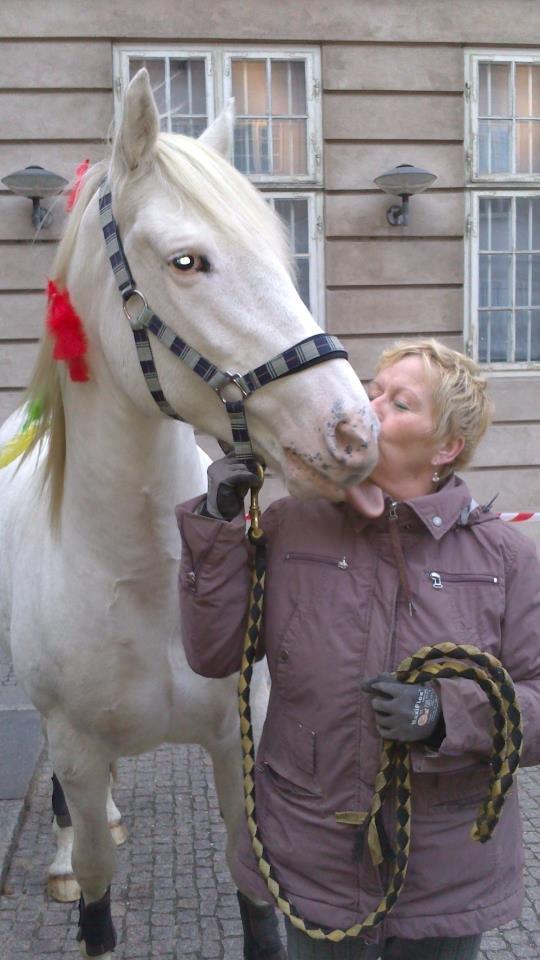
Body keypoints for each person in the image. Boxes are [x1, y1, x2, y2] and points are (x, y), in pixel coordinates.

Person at [175, 339, 540, 960]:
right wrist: (217, 523)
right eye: (373, 390)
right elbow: (215, 653)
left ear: (446, 446)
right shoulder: (290, 526)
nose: (369, 406)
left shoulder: (505, 558)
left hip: (444, 874)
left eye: (399, 403)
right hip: (310, 852)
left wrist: (446, 714)